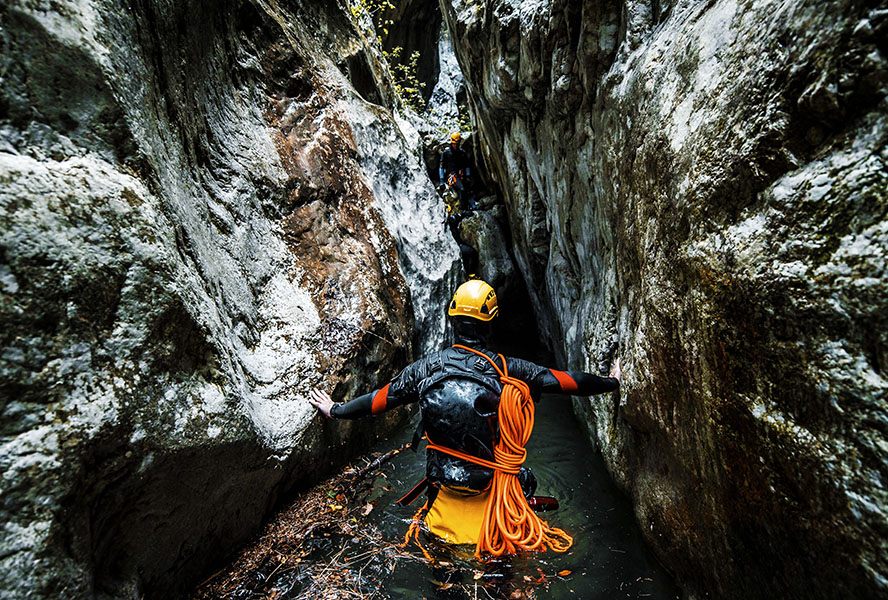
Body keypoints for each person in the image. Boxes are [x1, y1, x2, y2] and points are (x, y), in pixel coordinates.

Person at [308, 280, 621, 557]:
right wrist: (611, 381)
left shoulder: (425, 368)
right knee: (524, 478)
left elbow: (377, 401)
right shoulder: (509, 369)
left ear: (453, 320)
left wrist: (335, 409)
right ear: (490, 324)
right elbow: (568, 382)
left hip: (443, 479)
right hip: (488, 486)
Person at [438, 132, 475, 211]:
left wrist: (468, 176)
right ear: (451, 143)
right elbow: (441, 167)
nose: (455, 146)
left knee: (468, 188)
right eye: (454, 144)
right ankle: (463, 209)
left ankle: (471, 205)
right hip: (451, 175)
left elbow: (466, 165)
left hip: (461, 174)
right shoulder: (446, 153)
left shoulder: (462, 153)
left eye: (457, 144)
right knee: (461, 189)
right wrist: (441, 180)